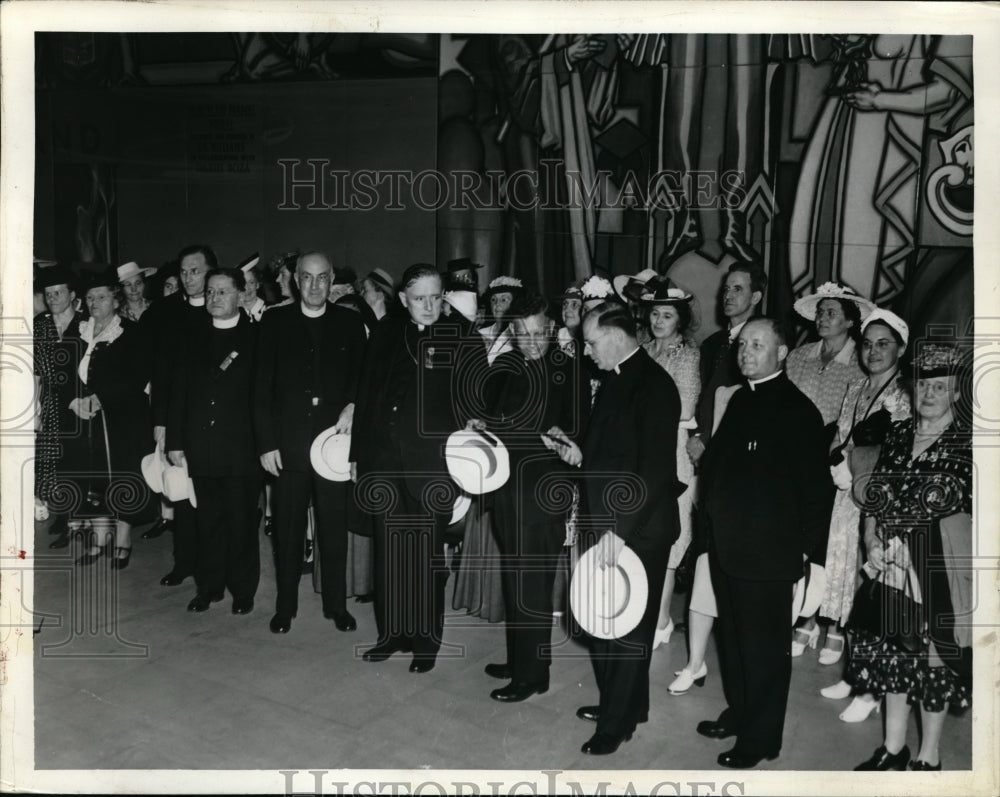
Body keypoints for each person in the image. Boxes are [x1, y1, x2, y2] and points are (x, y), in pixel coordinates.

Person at [696, 318, 831, 769]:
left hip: (770, 557)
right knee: (732, 641)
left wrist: (801, 552)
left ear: (783, 352)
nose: (746, 352)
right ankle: (740, 712)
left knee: (765, 650)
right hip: (728, 547)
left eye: (758, 345)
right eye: (742, 345)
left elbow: (817, 493)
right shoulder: (738, 401)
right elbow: (713, 467)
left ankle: (762, 738)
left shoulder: (798, 412)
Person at [549, 301, 680, 755]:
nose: (586, 351)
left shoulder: (656, 386)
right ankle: (627, 705)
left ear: (618, 336)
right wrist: (576, 452)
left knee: (627, 628)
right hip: (606, 520)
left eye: (590, 341)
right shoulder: (615, 378)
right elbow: (606, 446)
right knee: (604, 618)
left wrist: (620, 531)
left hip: (636, 528)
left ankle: (616, 723)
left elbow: (653, 471)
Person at [351, 263, 487, 673]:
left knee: (426, 557)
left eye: (434, 296)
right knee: (390, 553)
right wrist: (360, 457)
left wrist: (474, 424)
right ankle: (392, 634)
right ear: (403, 301)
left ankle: (427, 641)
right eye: (418, 299)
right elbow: (367, 396)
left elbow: (476, 398)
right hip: (383, 464)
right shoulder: (387, 332)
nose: (428, 306)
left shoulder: (463, 336)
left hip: (434, 469)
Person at [850, 343, 972, 772]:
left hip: (936, 569)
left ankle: (928, 757)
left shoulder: (970, 442)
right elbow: (875, 497)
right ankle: (894, 747)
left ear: (957, 392)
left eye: (941, 386)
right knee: (892, 656)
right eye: (924, 384)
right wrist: (871, 540)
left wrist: (911, 544)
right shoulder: (900, 433)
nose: (930, 393)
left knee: (931, 662)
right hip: (889, 565)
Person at [478, 294, 587, 703]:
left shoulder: (567, 369)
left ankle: (533, 674)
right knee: (515, 579)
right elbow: (495, 419)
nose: (530, 340)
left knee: (534, 587)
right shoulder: (508, 368)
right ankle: (520, 658)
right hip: (506, 491)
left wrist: (547, 434)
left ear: (552, 327)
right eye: (521, 332)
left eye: (538, 331)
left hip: (541, 496)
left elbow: (575, 432)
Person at [254, 251, 367, 635]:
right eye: (307, 277)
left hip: (334, 445)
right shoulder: (274, 321)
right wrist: (267, 444)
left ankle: (336, 605)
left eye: (322, 278)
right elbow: (261, 389)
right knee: (286, 531)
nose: (315, 285)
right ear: (294, 281)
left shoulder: (351, 322)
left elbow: (363, 378)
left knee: (334, 529)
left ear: (332, 278)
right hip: (288, 446)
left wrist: (353, 405)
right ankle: (286, 606)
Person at [670, 261, 765, 696]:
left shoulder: (761, 345)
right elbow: (703, 400)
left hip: (740, 468)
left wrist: (714, 444)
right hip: (704, 459)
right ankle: (696, 660)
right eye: (727, 289)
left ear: (757, 297)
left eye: (739, 289)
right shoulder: (711, 346)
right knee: (705, 557)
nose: (729, 296)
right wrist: (697, 439)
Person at [814, 310, 912, 704]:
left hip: (878, 502)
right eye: (868, 343)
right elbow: (841, 436)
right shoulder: (855, 387)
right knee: (850, 589)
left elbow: (897, 453)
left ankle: (871, 692)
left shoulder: (903, 396)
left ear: (901, 349)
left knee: (870, 590)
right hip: (845, 499)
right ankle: (855, 673)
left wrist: (856, 465)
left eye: (883, 344)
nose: (873, 351)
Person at [167, 268, 261, 615]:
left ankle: (243, 590)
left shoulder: (257, 338)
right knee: (206, 522)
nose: (214, 298)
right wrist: (175, 441)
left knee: (241, 523)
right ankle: (209, 587)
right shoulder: (191, 335)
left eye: (223, 292)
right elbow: (178, 392)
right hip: (200, 446)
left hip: (242, 449)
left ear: (241, 295)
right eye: (210, 292)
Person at [786, 282, 872, 656]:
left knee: (828, 545)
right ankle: (799, 613)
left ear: (851, 321)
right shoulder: (799, 356)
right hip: (792, 463)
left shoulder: (859, 365)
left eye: (832, 312)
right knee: (796, 540)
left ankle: (827, 623)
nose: (823, 318)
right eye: (820, 312)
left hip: (834, 465)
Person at [62, 269, 156, 569]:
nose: (94, 303)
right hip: (85, 417)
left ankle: (123, 539)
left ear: (115, 300)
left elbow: (138, 375)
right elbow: (64, 375)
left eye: (101, 297)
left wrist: (103, 398)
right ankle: (100, 538)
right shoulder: (78, 332)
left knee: (123, 475)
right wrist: (75, 400)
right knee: (95, 476)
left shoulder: (130, 332)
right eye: (90, 297)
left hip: (123, 418)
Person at [140, 244, 214, 582]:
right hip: (177, 419)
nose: (188, 278)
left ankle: (213, 564)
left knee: (211, 497)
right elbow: (159, 372)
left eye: (195, 271)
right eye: (183, 272)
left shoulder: (223, 306)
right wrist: (160, 421)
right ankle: (184, 562)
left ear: (210, 271)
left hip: (215, 420)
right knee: (180, 492)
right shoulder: (165, 311)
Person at [638, 279, 701, 649]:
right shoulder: (643, 348)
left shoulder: (687, 355)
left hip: (672, 448)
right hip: (642, 447)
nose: (659, 320)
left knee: (669, 535)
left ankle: (661, 617)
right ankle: (641, 610)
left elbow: (686, 407)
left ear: (680, 319)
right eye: (655, 313)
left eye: (667, 314)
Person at [34, 265, 87, 549]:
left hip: (79, 402)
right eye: (48, 293)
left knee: (78, 461)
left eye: (58, 292)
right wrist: (34, 410)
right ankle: (64, 514)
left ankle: (77, 519)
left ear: (72, 294)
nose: (53, 297)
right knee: (53, 461)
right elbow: (35, 371)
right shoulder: (41, 324)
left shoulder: (85, 322)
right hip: (51, 402)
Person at [479, 276, 523, 364]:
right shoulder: (480, 333)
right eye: (493, 299)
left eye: (503, 300)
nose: (497, 304)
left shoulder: (521, 336)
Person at [238, 255, 267, 323]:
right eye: (243, 283)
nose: (246, 288)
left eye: (251, 282)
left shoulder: (270, 310)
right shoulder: (232, 313)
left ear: (257, 285)